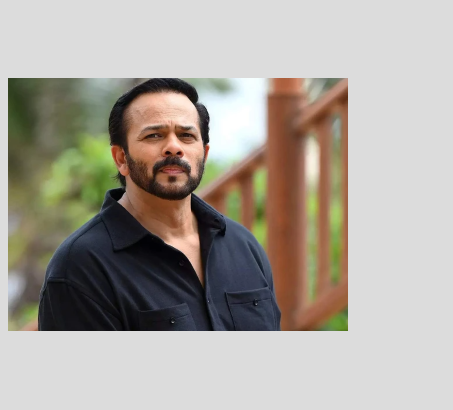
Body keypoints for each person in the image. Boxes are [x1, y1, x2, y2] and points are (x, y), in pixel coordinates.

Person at [38, 78, 281, 331]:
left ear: (204, 154)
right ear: (121, 158)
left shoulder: (242, 245)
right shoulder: (81, 267)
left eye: (186, 136)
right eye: (154, 135)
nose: (174, 148)